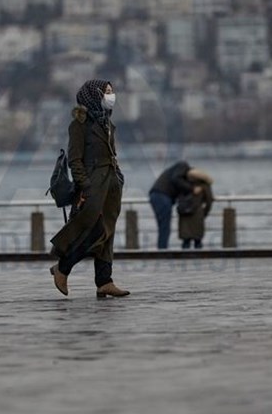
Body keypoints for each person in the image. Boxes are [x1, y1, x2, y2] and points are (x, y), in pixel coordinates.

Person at [49, 79, 129, 298]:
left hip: (111, 185)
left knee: (108, 232)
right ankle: (63, 268)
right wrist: (85, 186)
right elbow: (75, 160)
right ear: (94, 95)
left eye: (111, 91)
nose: (111, 96)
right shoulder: (79, 124)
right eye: (107, 92)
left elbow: (112, 154)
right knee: (94, 231)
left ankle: (104, 281)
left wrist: (118, 176)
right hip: (93, 186)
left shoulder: (107, 122)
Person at [148, 160, 199, 249]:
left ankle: (162, 249)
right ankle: (162, 251)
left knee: (163, 226)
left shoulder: (175, 170)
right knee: (164, 227)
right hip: (162, 196)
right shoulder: (183, 165)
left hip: (157, 195)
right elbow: (176, 179)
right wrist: (191, 189)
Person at [177, 168, 214, 249]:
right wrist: (204, 213)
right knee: (198, 241)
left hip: (184, 215)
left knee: (185, 242)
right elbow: (209, 201)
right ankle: (198, 256)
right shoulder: (204, 185)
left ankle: (185, 256)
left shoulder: (183, 184)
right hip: (198, 214)